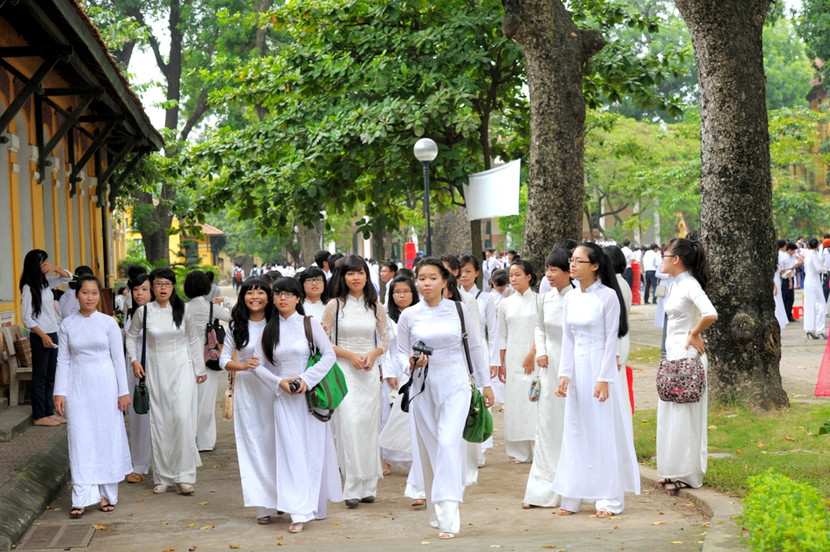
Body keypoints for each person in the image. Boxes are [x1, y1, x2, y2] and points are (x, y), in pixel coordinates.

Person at [396, 258, 493, 539]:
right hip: (422, 387)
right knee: (433, 448)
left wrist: (486, 384)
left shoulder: (459, 310)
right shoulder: (409, 316)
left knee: (450, 442)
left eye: (432, 278)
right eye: (421, 278)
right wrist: (412, 363)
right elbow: (400, 353)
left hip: (456, 383)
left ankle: (449, 512)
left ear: (444, 281)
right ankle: (438, 508)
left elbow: (474, 347)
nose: (426, 283)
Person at [553, 242, 640, 517]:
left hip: (599, 367)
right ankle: (573, 495)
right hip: (577, 369)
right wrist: (564, 374)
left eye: (579, 261)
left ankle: (608, 499)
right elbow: (568, 339)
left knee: (602, 430)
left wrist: (604, 378)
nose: (573, 265)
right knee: (576, 429)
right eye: (572, 260)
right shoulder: (570, 298)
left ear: (595, 266)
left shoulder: (608, 297)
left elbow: (610, 340)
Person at [250, 277, 342, 533]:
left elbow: (329, 355)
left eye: (288, 294)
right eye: (278, 294)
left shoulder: (309, 324)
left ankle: (313, 503)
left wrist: (306, 379)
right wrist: (279, 382)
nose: (282, 298)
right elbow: (257, 366)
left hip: (310, 398)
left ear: (297, 298)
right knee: (291, 452)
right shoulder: (269, 330)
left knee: (313, 450)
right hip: (283, 400)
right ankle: (298, 511)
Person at [54, 275, 131, 518]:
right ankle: (82, 496)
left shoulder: (108, 323)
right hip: (78, 386)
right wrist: (59, 392)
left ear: (100, 295)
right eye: (85, 292)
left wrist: (123, 391)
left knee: (105, 436)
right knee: (80, 437)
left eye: (94, 293)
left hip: (106, 386)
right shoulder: (67, 325)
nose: (90, 297)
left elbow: (119, 359)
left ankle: (107, 493)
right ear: (77, 295)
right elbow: (63, 359)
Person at [126, 267, 206, 496]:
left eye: (167, 284)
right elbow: (131, 336)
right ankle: (163, 477)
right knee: (160, 423)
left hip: (182, 370)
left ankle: (185, 476)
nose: (163, 288)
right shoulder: (144, 312)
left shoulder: (184, 309)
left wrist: (199, 369)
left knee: (182, 419)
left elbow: (193, 340)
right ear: (152, 286)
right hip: (156, 371)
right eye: (159, 284)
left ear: (173, 287)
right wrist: (134, 360)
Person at [320, 255, 390, 508]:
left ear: (366, 276)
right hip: (344, 370)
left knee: (368, 426)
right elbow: (323, 341)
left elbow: (385, 339)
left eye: (360, 273)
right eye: (350, 274)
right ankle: (351, 485)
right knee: (349, 425)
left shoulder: (375, 306)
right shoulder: (334, 306)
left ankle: (369, 485)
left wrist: (373, 355)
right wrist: (350, 356)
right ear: (343, 277)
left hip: (369, 372)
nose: (356, 278)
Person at [656, 238, 717, 494]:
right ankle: (670, 470)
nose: (662, 259)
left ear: (676, 259)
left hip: (688, 359)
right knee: (669, 412)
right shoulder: (675, 285)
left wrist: (693, 333)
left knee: (685, 417)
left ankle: (688, 474)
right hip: (673, 358)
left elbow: (710, 313)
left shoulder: (690, 284)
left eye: (665, 255)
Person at [220, 278, 279, 524]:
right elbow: (223, 360)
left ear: (269, 296)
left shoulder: (279, 323)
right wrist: (243, 366)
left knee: (278, 445)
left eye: (261, 292)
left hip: (277, 391)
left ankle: (283, 498)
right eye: (250, 292)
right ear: (243, 297)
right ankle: (262, 506)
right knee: (253, 446)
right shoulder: (236, 327)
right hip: (248, 394)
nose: (255, 296)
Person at [523, 248, 573, 509]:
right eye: (547, 269)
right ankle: (540, 489)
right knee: (546, 425)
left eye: (555, 269)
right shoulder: (545, 299)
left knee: (569, 425)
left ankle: (572, 487)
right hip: (548, 367)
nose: (549, 275)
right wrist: (540, 352)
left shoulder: (578, 299)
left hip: (572, 367)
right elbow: (539, 327)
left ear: (569, 271)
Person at [377, 274, 424, 505]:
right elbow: (384, 346)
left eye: (406, 291)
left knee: (409, 415)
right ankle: (385, 457)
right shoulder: (385, 316)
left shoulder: (420, 314)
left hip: (416, 367)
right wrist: (388, 372)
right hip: (394, 368)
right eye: (397, 292)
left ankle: (413, 459)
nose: (401, 296)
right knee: (389, 414)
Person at [19, 249, 72, 426]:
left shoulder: (45, 283)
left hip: (52, 333)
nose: (46, 265)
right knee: (40, 377)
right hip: (40, 336)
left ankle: (50, 412)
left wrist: (56, 267)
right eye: (43, 262)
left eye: (47, 262)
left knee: (51, 376)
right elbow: (27, 318)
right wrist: (43, 336)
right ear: (35, 265)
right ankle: (39, 415)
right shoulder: (28, 287)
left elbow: (68, 278)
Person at [184, 270, 231, 452]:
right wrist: (226, 302)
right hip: (207, 360)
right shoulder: (211, 308)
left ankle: (188, 440)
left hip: (186, 360)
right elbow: (234, 318)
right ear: (206, 287)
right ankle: (205, 442)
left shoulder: (182, 309)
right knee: (206, 402)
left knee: (187, 402)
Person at [497, 259, 539, 463]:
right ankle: (517, 451)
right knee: (514, 402)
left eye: (517, 275)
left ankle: (536, 447)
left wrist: (533, 353)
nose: (513, 279)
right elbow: (502, 336)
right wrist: (502, 363)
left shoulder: (539, 301)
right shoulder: (505, 304)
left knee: (533, 400)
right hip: (513, 358)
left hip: (535, 357)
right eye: (511, 275)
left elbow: (543, 331)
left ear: (529, 277)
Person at [124, 273, 153, 484]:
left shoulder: (159, 313)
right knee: (137, 416)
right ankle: (139, 463)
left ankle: (158, 464)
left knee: (156, 417)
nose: (139, 293)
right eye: (136, 289)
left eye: (144, 289)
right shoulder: (131, 312)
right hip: (133, 369)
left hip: (155, 366)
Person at [802, 237, 827, 340]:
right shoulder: (813, 255)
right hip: (814, 281)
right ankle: (819, 329)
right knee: (821, 305)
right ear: (817, 245)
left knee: (809, 305)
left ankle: (809, 329)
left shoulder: (807, 255)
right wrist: (826, 269)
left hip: (809, 280)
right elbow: (818, 268)